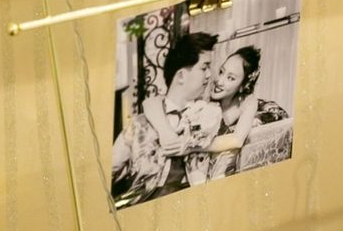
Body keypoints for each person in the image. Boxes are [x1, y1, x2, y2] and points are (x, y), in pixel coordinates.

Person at [112, 32, 218, 207]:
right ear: (181, 75)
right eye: (204, 67)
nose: (209, 74)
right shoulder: (140, 125)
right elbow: (108, 173)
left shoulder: (209, 116)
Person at [192, 45, 263, 180]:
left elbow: (237, 140)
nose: (219, 81)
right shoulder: (205, 93)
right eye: (221, 72)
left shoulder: (248, 102)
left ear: (243, 85)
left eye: (230, 78)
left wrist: (194, 147)